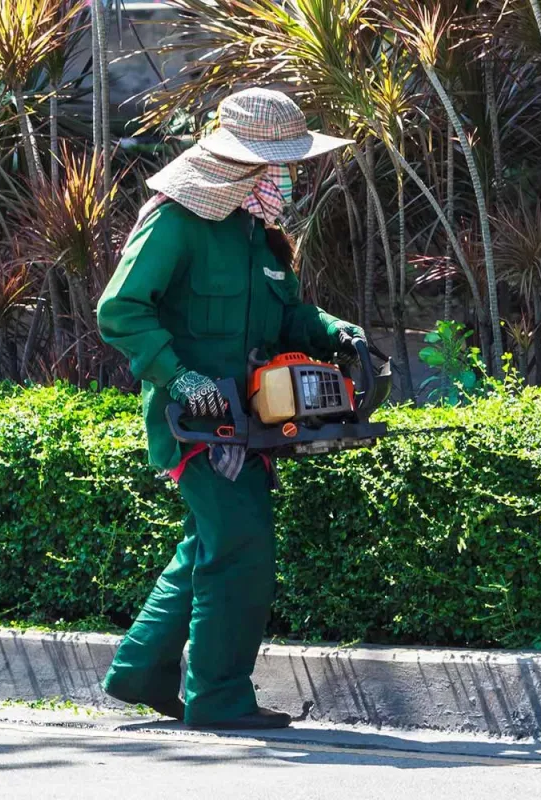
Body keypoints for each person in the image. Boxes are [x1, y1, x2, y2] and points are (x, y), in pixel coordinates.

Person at [95, 88, 362, 730]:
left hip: (252, 421)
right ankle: (217, 698)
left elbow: (288, 315)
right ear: (239, 165)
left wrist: (331, 329)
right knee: (242, 543)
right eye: (278, 164)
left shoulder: (258, 235)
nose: (288, 177)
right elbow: (119, 310)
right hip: (195, 421)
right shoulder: (175, 219)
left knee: (211, 543)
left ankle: (140, 670)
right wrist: (178, 378)